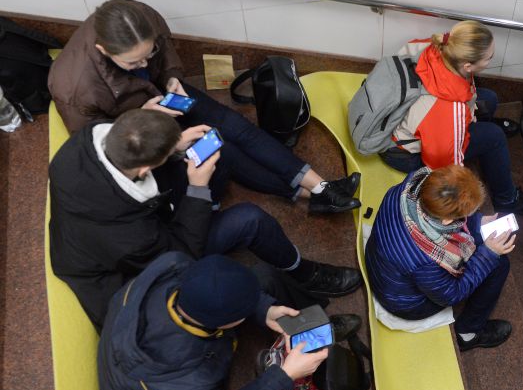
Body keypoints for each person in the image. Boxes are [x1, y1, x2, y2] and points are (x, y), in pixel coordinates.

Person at [49, 109, 362, 329]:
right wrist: (197, 189)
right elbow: (180, 253)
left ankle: (296, 195)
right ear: (143, 170)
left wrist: (174, 144)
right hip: (136, 273)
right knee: (249, 219)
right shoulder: (128, 238)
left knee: (212, 152)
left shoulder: (90, 141)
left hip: (140, 220)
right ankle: (303, 272)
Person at [48, 0, 359, 213]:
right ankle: (310, 194)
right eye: (134, 62)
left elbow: (165, 50)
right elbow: (94, 145)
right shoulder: (74, 87)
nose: (144, 62)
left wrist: (170, 76)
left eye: (148, 53)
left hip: (167, 93)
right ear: (103, 50)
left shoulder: (138, 16)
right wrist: (141, 118)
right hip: (138, 125)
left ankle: (322, 188)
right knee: (223, 148)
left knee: (235, 125)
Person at [98, 252, 385, 390]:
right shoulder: (182, 387)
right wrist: (284, 376)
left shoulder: (173, 267)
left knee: (263, 277)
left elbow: (233, 293)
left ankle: (312, 327)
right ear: (226, 323)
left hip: (186, 379)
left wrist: (264, 309)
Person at [379, 20, 523, 216]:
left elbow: (463, 93)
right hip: (405, 154)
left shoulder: (436, 47)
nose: (491, 60)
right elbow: (447, 170)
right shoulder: (448, 110)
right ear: (467, 65)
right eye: (489, 58)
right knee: (494, 136)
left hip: (400, 119)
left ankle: (483, 134)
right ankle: (507, 200)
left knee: (489, 99)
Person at [365, 165, 515, 351]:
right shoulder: (425, 261)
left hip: (381, 262)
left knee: (482, 241)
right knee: (498, 264)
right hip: (404, 302)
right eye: (465, 215)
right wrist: (488, 255)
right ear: (446, 221)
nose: (468, 217)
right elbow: (451, 294)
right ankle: (468, 333)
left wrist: (477, 222)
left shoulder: (406, 188)